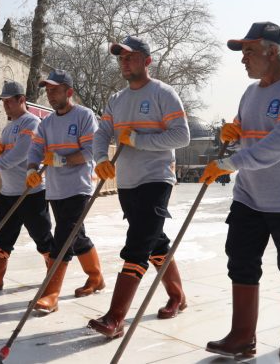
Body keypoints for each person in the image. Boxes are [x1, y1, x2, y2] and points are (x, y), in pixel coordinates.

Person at [200, 22, 280, 359]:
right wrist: (232, 132)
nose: (243, 60)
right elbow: (246, 132)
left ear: (271, 51)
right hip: (250, 196)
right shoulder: (251, 93)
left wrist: (228, 164)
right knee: (240, 261)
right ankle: (242, 336)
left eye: (248, 51)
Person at [88, 36, 191, 338]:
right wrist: (99, 159)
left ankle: (115, 317)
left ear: (147, 61)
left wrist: (139, 140)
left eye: (130, 57)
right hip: (128, 180)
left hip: (156, 177)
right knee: (154, 240)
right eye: (120, 57)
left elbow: (181, 136)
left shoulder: (163, 93)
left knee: (137, 244)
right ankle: (177, 295)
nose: (124, 61)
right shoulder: (117, 99)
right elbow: (102, 132)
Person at [25, 69, 104, 313]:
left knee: (64, 237)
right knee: (76, 236)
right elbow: (36, 150)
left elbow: (91, 150)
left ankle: (51, 294)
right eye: (47, 91)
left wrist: (61, 160)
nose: (50, 95)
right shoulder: (46, 123)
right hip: (55, 189)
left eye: (54, 90)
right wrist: (31, 169)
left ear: (68, 92)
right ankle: (96, 277)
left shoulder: (84, 116)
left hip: (78, 187)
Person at [0, 81, 55, 291]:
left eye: (9, 101)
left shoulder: (31, 123)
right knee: (3, 236)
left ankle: (54, 275)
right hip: (8, 192)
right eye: (3, 102)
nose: (5, 105)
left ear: (22, 100)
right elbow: (9, 151)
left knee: (42, 236)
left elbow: (21, 154)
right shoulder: (8, 127)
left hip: (30, 191)